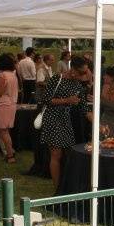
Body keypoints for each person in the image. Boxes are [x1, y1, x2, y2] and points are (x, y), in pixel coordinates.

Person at [39, 55, 91, 189]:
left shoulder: (78, 85)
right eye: (81, 72)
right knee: (56, 154)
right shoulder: (57, 78)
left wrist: (99, 125)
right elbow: (46, 99)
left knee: (67, 154)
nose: (83, 75)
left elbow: (85, 109)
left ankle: (65, 185)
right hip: (52, 118)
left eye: (85, 72)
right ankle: (58, 189)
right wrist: (67, 101)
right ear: (72, 69)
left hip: (65, 120)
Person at [0, 54, 19, 163]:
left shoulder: (2, 75)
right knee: (2, 129)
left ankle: (10, 155)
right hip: (12, 103)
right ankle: (10, 150)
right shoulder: (13, 75)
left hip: (4, 104)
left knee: (1, 130)